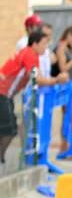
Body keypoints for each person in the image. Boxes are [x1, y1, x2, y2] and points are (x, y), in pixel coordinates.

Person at [0, 30, 50, 171]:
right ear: (34, 44)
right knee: (10, 129)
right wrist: (56, 80)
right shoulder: (30, 55)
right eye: (44, 44)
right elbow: (37, 79)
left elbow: (38, 76)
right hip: (2, 93)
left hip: (6, 95)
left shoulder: (31, 54)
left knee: (6, 128)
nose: (46, 47)